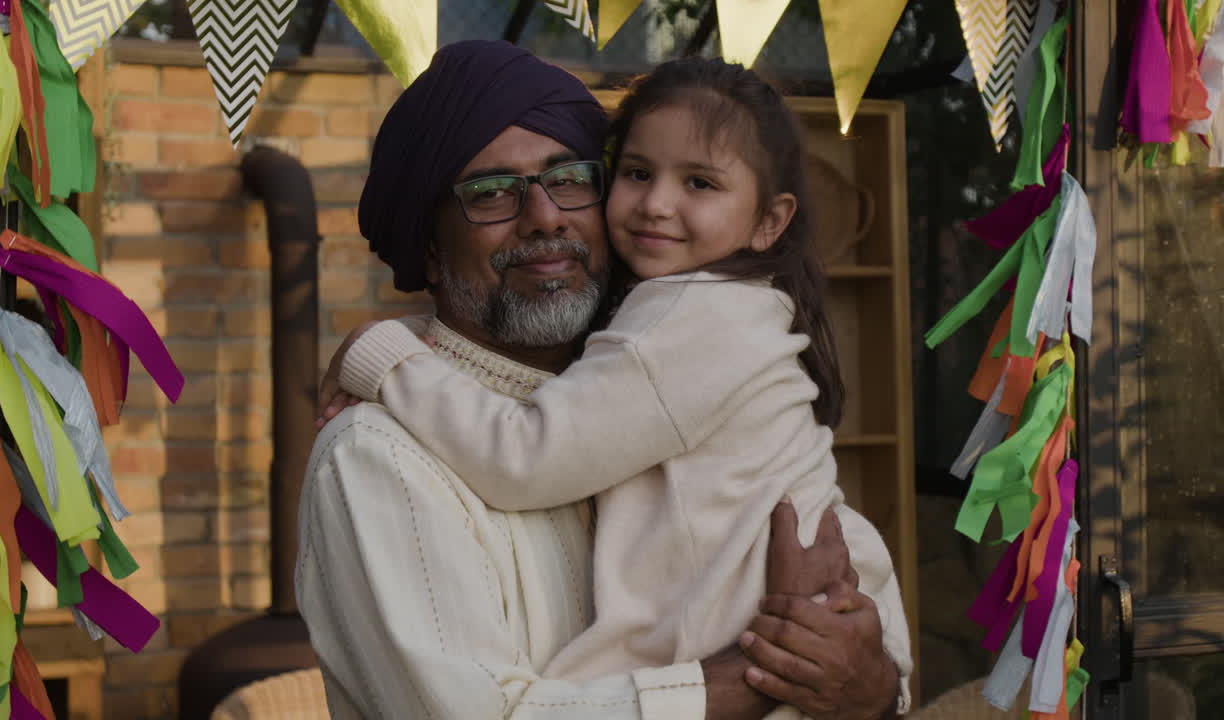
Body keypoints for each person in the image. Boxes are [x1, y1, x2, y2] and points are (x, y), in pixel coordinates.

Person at [297, 40, 904, 720]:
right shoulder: (377, 455)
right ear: (431, 250)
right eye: (492, 193)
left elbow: (843, 563)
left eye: (570, 179)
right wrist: (760, 677)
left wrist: (868, 680)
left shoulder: (679, 380)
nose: (546, 216)